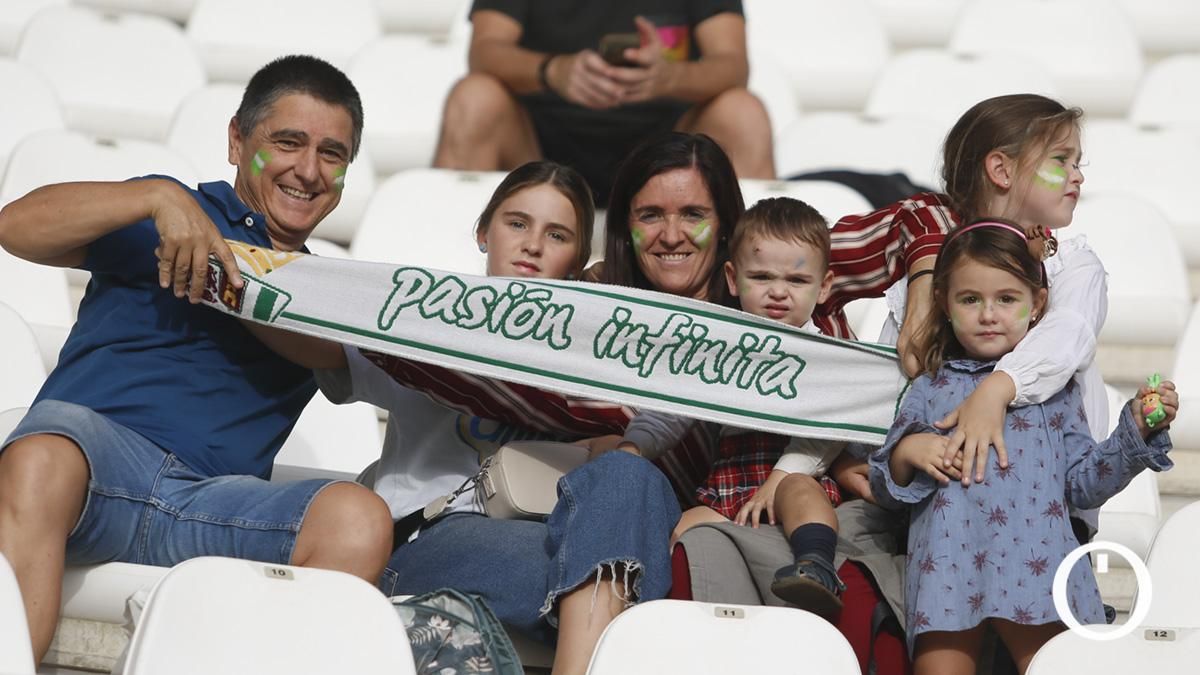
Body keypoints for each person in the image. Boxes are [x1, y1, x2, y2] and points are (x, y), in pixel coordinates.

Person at [0, 55, 394, 664]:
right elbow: (15, 226)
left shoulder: (328, 286)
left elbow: (328, 350)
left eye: (332, 154)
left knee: (359, 519)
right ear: (237, 140)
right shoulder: (174, 211)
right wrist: (155, 196)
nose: (308, 171)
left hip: (216, 503)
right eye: (287, 142)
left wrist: (234, 281)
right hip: (92, 464)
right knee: (45, 451)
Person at [250, 160, 681, 675]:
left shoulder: (599, 358)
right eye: (517, 223)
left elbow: (614, 471)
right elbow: (315, 342)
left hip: (557, 538)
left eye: (557, 234)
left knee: (633, 479)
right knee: (642, 596)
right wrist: (241, 277)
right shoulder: (427, 322)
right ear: (483, 232)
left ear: (576, 259)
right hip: (426, 539)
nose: (532, 245)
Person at [867, 220, 1177, 674]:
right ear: (943, 304)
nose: (988, 314)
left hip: (1038, 568)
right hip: (948, 571)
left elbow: (1082, 486)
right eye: (970, 299)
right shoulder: (929, 385)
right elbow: (884, 485)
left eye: (1006, 299)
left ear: (1038, 304)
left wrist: (1135, 431)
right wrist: (907, 452)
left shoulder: (1056, 391)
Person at [616, 197, 848, 620]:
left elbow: (825, 433)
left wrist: (776, 482)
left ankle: (816, 566)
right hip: (729, 485)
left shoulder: (825, 352)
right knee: (680, 533)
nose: (778, 291)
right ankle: (644, 624)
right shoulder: (720, 346)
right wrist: (633, 449)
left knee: (801, 492)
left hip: (794, 473)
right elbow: (674, 408)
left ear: (825, 285)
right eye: (761, 276)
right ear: (733, 278)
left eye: (797, 280)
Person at [433, 0, 775, 205]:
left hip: (670, 153)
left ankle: (755, 290)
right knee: (474, 98)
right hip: (535, 149)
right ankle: (439, 282)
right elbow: (484, 51)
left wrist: (669, 78)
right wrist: (553, 71)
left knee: (742, 114)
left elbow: (733, 65)